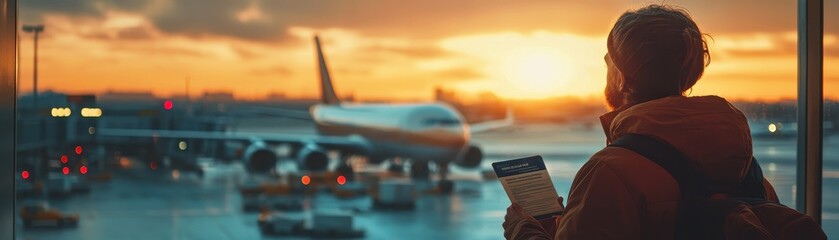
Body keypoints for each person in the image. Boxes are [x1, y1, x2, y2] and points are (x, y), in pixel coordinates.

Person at [502, 4, 781, 239]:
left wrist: (523, 230)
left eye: (608, 62)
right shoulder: (746, 170)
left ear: (621, 77)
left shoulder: (610, 172)